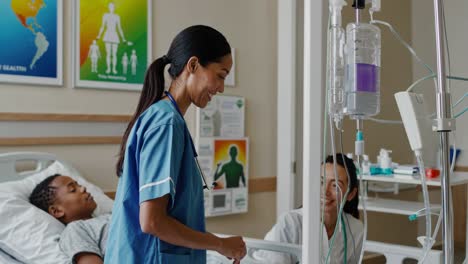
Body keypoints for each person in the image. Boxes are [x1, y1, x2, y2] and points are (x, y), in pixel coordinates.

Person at [105, 25, 246, 264]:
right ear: (192, 65)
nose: (221, 87)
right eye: (220, 75)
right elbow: (151, 221)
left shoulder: (169, 120)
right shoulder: (166, 124)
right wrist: (220, 244)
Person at [254, 153, 363, 264]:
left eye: (335, 185)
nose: (325, 192)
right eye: (321, 182)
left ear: (351, 194)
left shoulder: (355, 229)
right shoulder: (290, 224)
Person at [29, 174, 108, 264]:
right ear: (57, 211)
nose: (83, 188)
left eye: (79, 185)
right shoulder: (75, 230)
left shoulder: (109, 216)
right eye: (73, 190)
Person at [96, 2, 126, 74]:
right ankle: (109, 69)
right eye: (110, 7)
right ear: (109, 7)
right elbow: (102, 26)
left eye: (113, 7)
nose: (111, 8)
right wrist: (99, 35)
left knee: (114, 54)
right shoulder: (105, 16)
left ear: (114, 8)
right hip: (108, 34)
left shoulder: (117, 16)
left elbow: (119, 28)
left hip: (114, 35)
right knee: (108, 53)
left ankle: (114, 69)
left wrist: (123, 38)